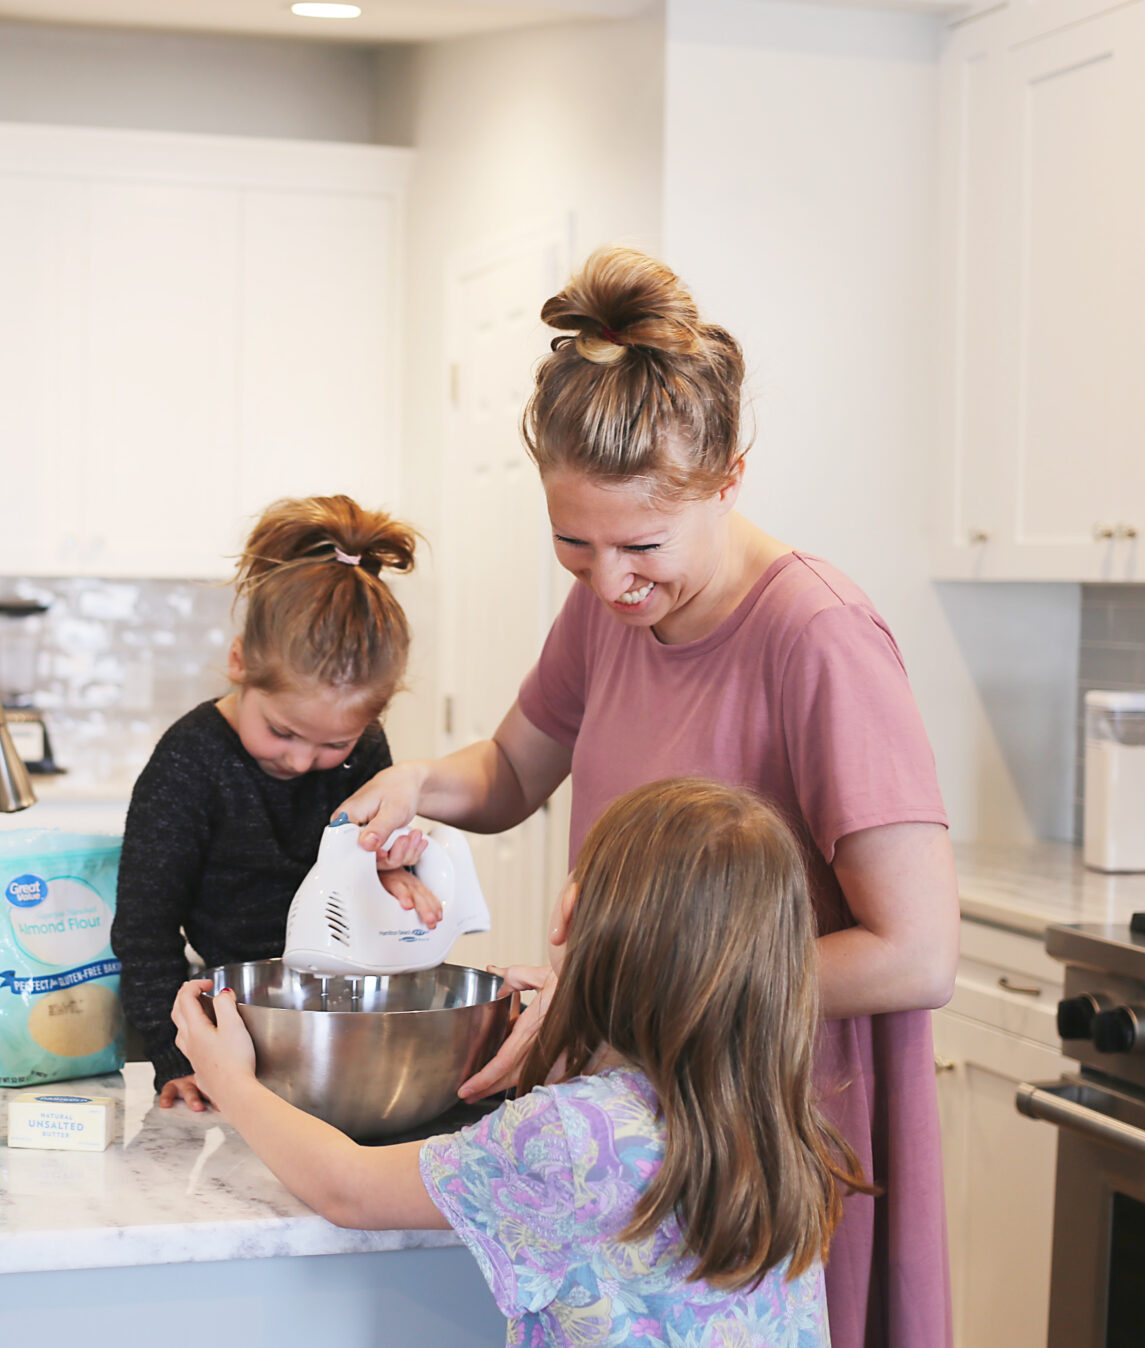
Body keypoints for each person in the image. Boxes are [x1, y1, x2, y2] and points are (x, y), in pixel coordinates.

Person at [340, 248, 957, 1348]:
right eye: (571, 548)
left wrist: (624, 992)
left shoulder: (816, 638)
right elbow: (516, 770)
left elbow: (916, 953)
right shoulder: (605, 608)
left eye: (639, 546)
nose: (611, 581)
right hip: (638, 1111)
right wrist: (417, 784)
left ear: (728, 476)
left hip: (769, 1129)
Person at [174, 777, 868, 1347]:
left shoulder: (566, 1137)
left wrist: (228, 1077)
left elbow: (348, 1190)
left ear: (570, 914)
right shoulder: (778, 1118)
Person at [114, 495, 440, 1114]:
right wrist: (174, 1057)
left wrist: (393, 870)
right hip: (235, 1027)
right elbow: (144, 932)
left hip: (345, 1020)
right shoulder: (187, 764)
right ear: (238, 663)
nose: (299, 761)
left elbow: (356, 860)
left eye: (334, 743)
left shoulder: (365, 748)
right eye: (283, 732)